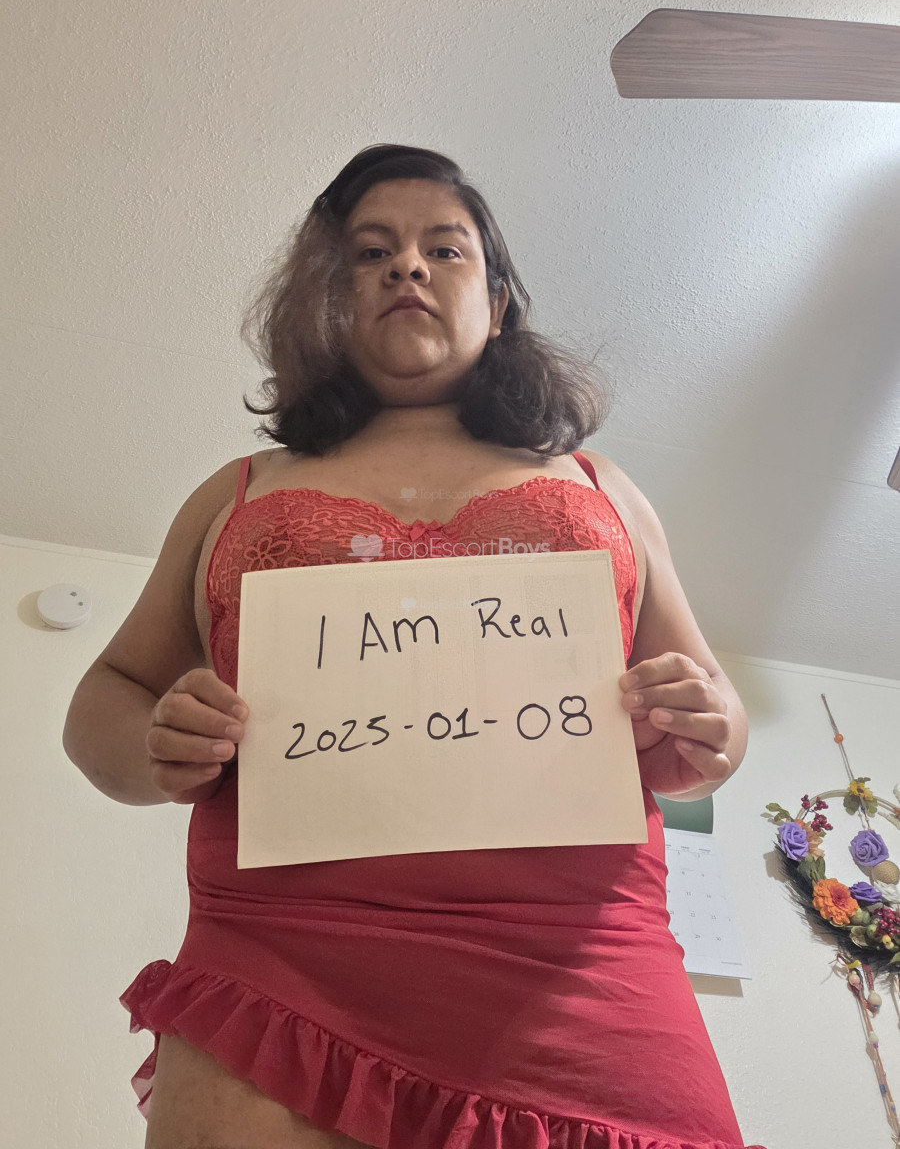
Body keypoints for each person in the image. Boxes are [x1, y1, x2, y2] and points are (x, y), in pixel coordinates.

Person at [63, 144, 763, 1149]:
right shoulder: (235, 491)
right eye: (369, 252)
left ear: (500, 301)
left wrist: (702, 724)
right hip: (279, 965)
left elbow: (714, 718)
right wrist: (152, 744)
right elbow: (108, 697)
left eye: (446, 248)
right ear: (327, 297)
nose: (408, 267)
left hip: (587, 972)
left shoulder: (603, 486)